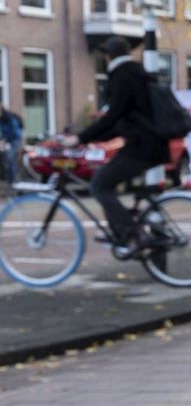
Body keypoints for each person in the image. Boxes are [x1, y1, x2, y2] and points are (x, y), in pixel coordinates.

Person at [63, 36, 168, 255]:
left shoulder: (123, 76)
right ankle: (124, 233)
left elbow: (112, 117)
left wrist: (80, 138)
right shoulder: (139, 73)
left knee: (100, 185)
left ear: (108, 56)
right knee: (113, 181)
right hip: (154, 144)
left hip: (142, 147)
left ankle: (133, 235)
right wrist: (91, 138)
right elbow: (121, 122)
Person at [0, 103, 23, 185]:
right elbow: (3, 132)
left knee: (10, 157)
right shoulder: (2, 119)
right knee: (4, 156)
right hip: (9, 139)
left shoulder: (9, 118)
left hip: (15, 139)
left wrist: (5, 140)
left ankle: (13, 180)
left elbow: (13, 131)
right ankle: (6, 177)